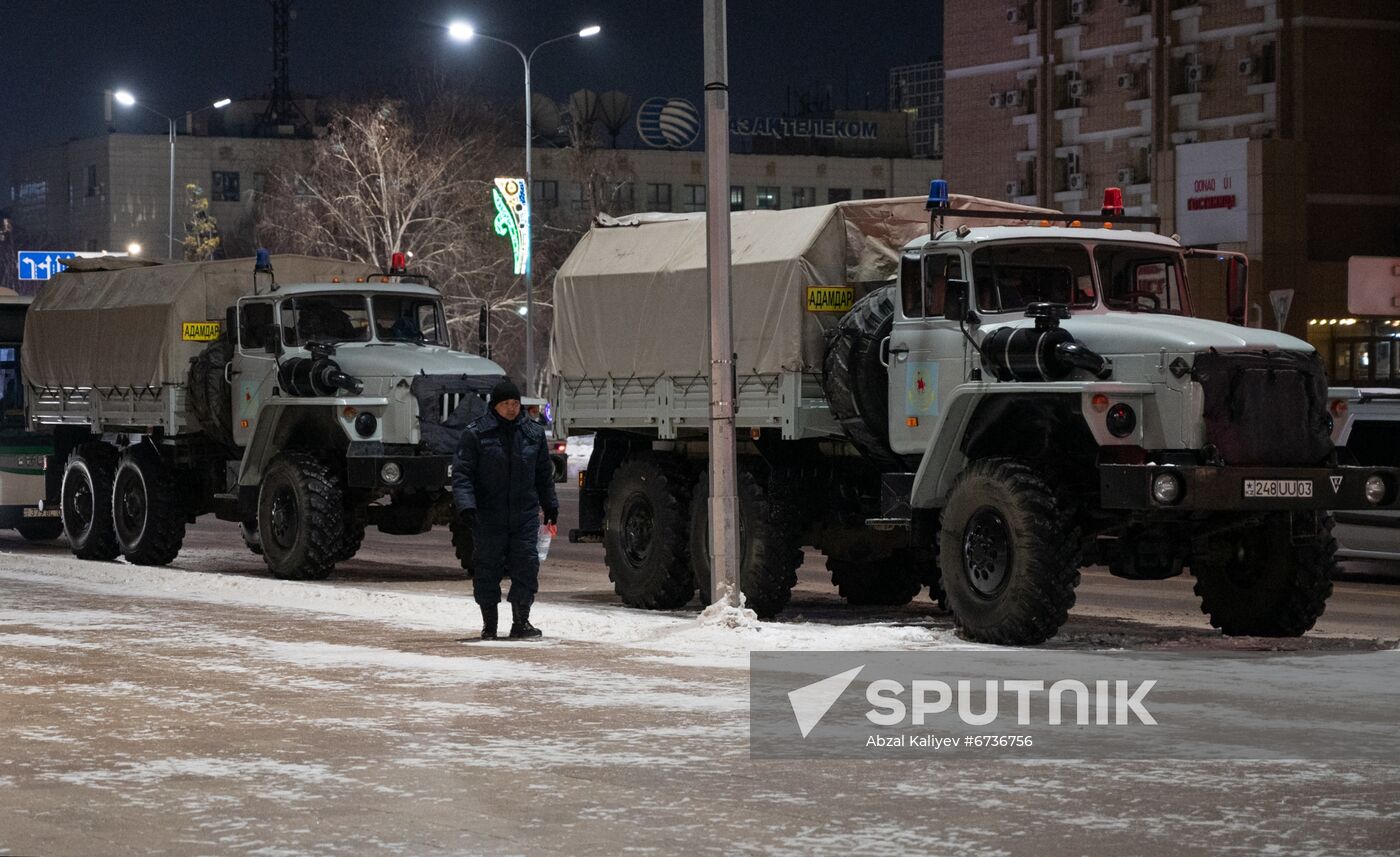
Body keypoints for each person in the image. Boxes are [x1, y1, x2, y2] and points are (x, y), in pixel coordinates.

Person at [452, 379, 559, 640]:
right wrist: (466, 506)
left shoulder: (532, 435)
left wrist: (551, 505)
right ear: (495, 406)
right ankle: (489, 626)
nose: (512, 408)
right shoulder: (476, 434)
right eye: (506, 404)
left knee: (526, 565)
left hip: (523, 516)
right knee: (487, 568)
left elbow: (544, 475)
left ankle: (521, 623)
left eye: (515, 403)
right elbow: (463, 474)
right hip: (489, 516)